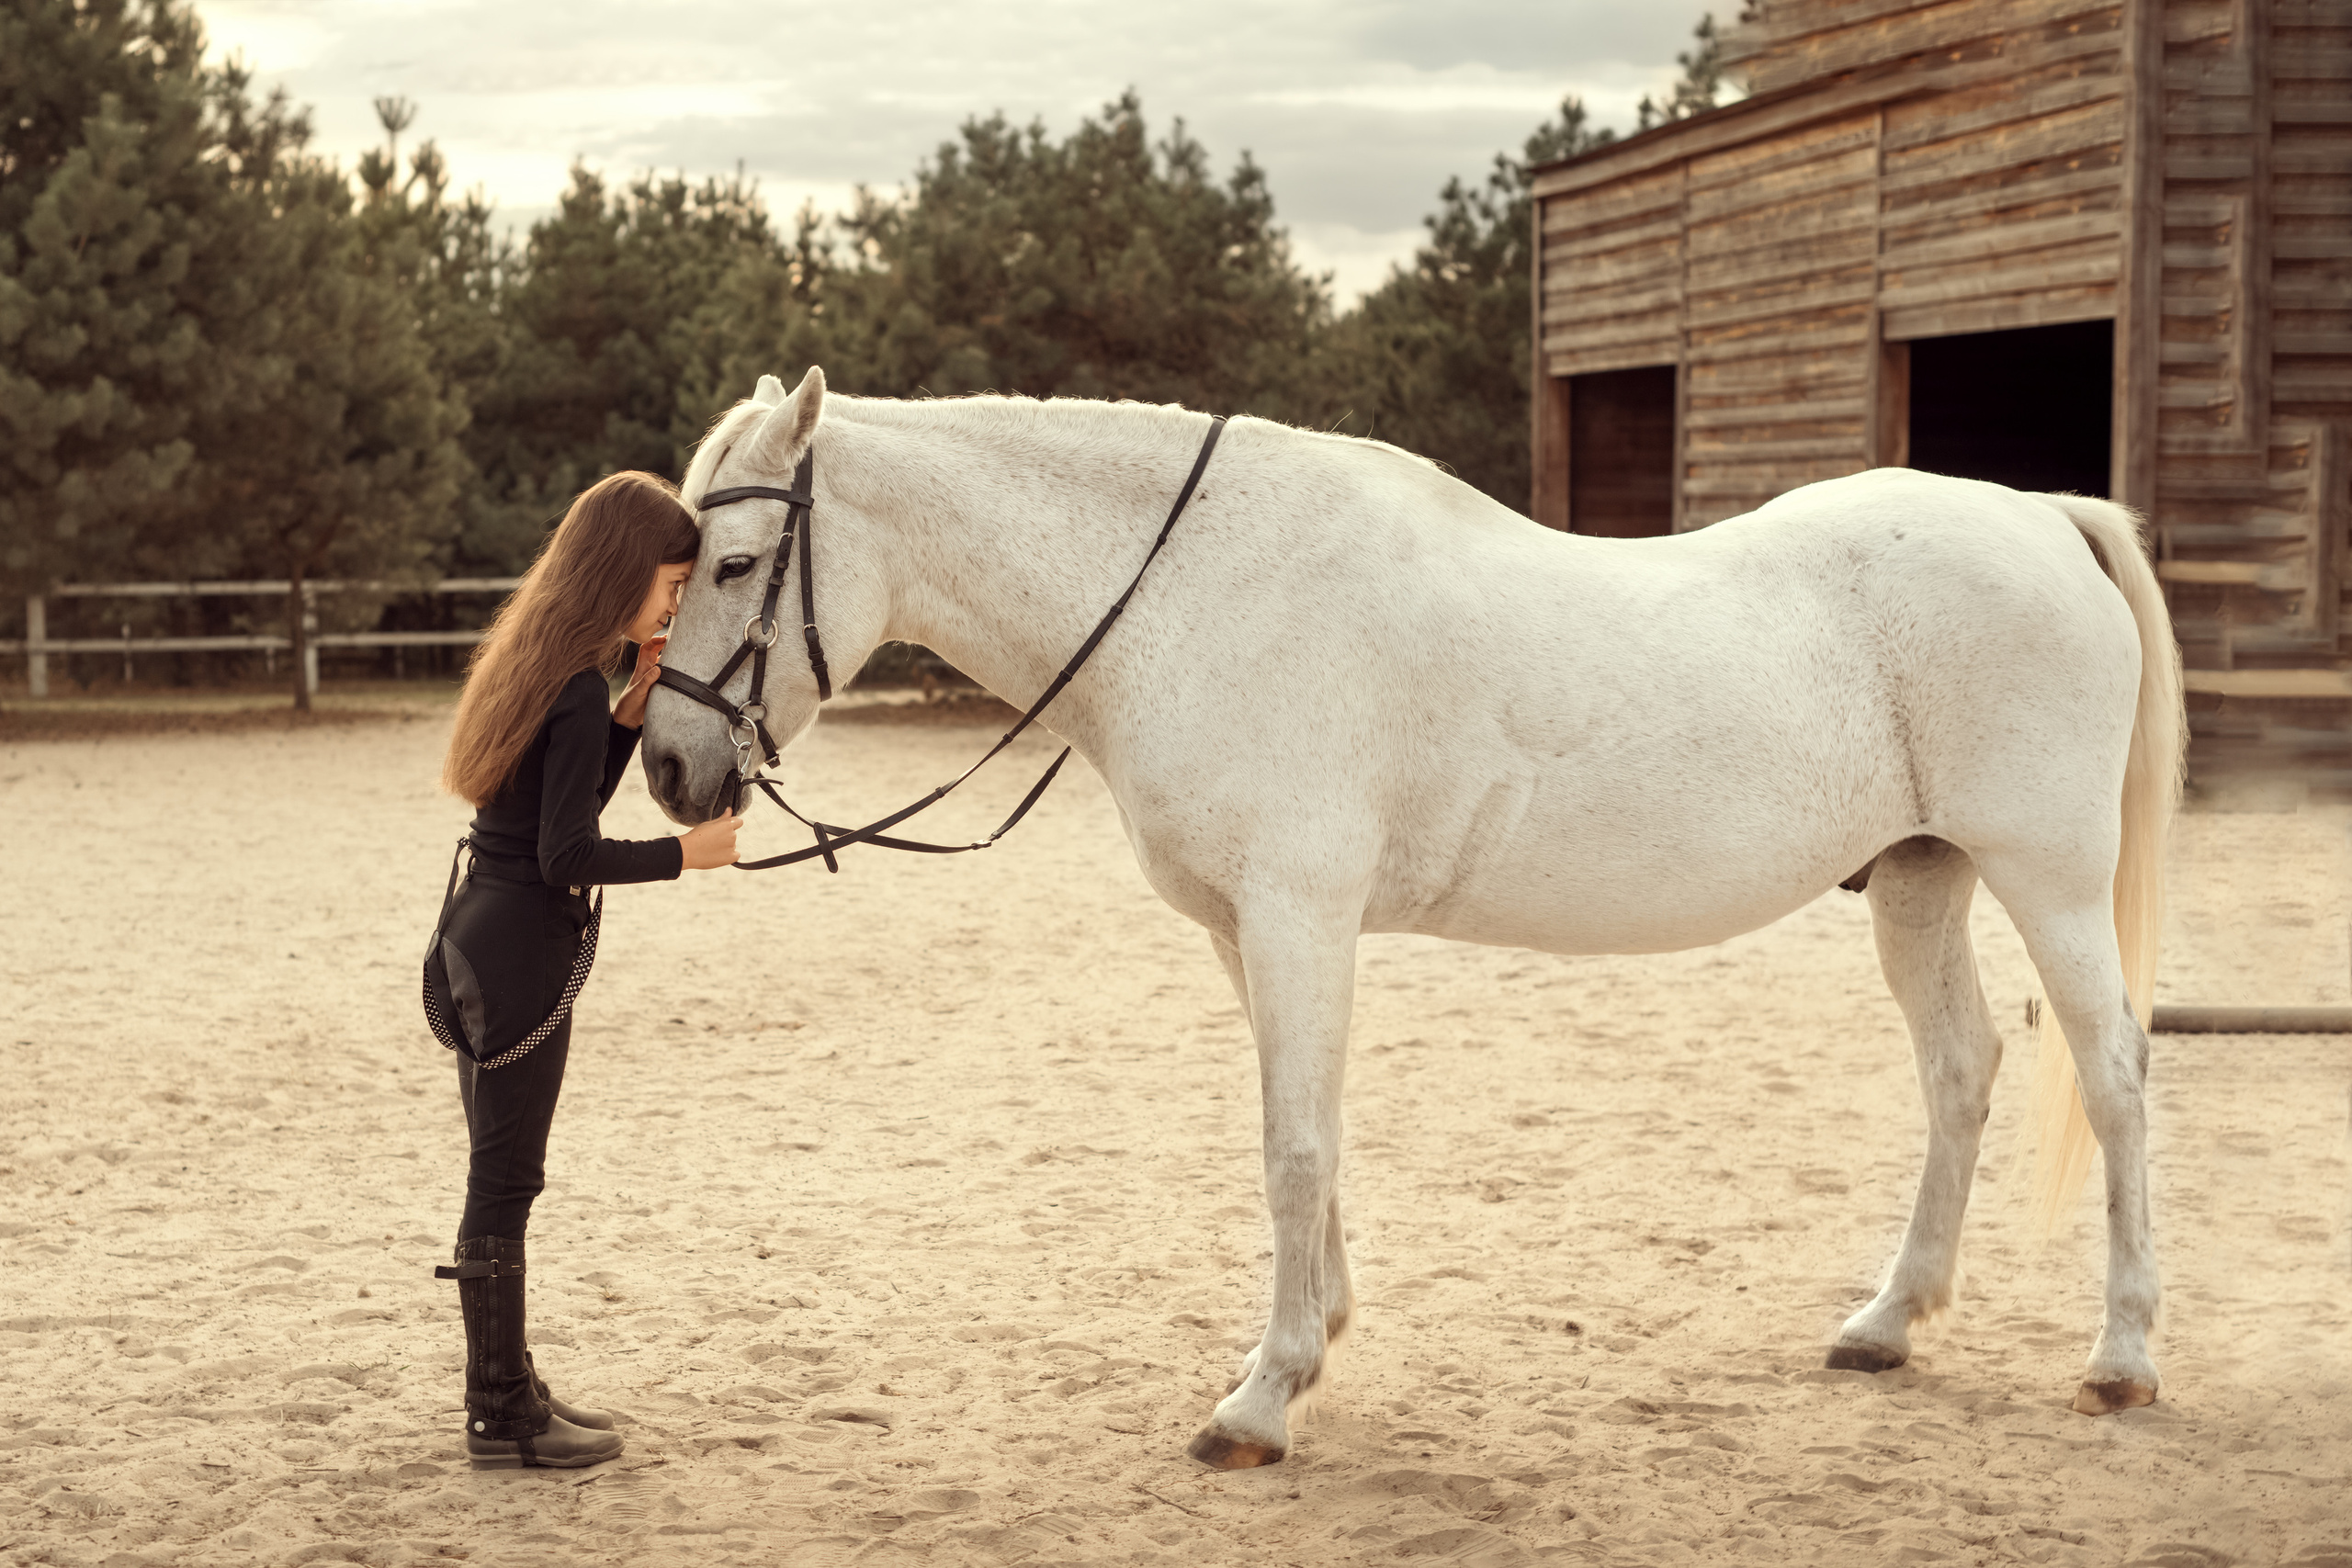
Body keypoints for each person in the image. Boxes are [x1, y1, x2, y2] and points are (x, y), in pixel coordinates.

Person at [430, 470, 743, 1469]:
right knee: (506, 1179)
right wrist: (681, 856)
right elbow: (568, 853)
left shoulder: (548, 666)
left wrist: (625, 715)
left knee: (501, 1172)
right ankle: (499, 1412)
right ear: (628, 568)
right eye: (673, 582)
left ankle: (508, 1384)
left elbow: (540, 811)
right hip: (522, 945)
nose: (676, 603)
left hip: (481, 931)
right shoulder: (568, 684)